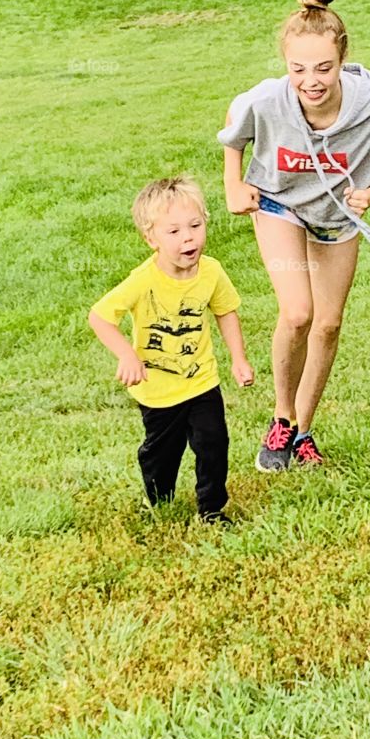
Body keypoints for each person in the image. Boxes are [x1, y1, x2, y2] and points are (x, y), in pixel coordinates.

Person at [218, 0, 370, 472]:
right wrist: (233, 184)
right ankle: (281, 418)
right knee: (298, 313)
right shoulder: (269, 100)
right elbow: (235, 125)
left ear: (342, 59)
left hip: (336, 217)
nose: (310, 80)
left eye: (323, 68)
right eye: (298, 69)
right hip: (279, 204)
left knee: (328, 323)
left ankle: (304, 432)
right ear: (285, 64)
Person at [88, 176, 254, 523]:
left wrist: (238, 358)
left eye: (195, 226)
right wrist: (127, 355)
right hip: (158, 391)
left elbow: (225, 311)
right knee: (162, 452)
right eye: (174, 231)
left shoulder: (211, 272)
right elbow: (100, 317)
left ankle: (211, 508)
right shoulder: (143, 280)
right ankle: (158, 498)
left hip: (201, 381)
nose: (188, 237)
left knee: (213, 442)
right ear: (151, 238)